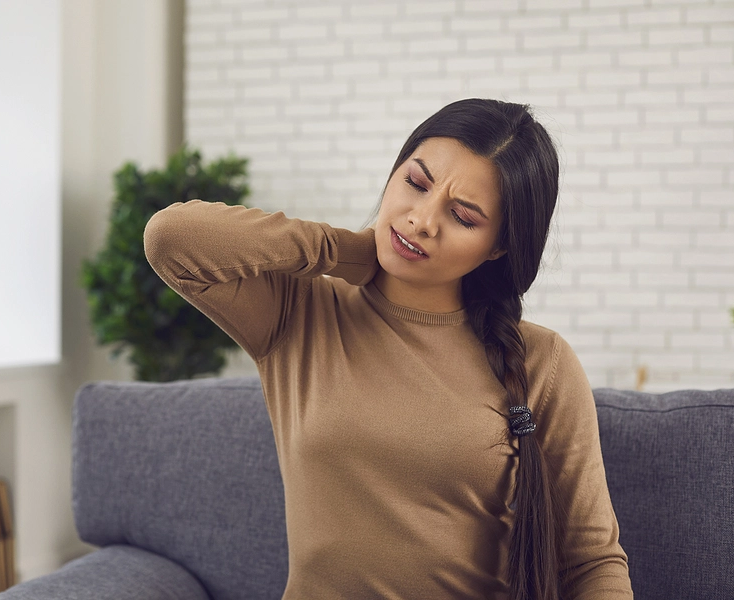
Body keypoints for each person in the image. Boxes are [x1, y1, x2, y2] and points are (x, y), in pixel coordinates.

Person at [144, 98, 633, 600]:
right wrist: (350, 251)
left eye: (462, 216)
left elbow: (591, 560)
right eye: (416, 184)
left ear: (498, 247)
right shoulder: (298, 312)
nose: (422, 220)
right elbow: (172, 239)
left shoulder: (542, 361)